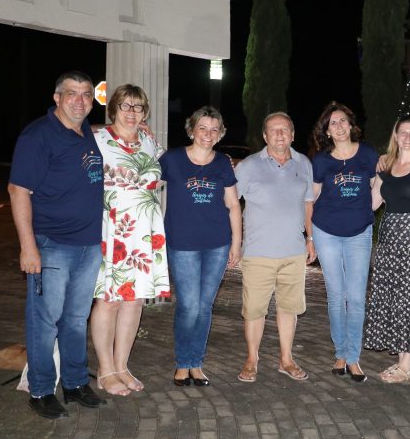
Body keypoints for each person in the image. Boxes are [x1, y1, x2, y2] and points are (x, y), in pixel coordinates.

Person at [8, 71, 105, 419]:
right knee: (45, 322)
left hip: (88, 244)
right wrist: (28, 247)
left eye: (86, 94)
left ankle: (75, 384)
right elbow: (18, 190)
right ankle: (41, 390)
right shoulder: (37, 136)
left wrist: (137, 128)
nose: (80, 101)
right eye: (71, 94)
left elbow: (98, 131)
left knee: (76, 320)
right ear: (57, 98)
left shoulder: (84, 131)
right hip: (51, 245)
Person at [90, 84, 170, 396]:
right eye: (125, 105)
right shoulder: (98, 139)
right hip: (112, 229)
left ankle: (122, 366)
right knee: (108, 300)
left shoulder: (149, 141)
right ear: (113, 109)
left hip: (144, 230)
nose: (131, 112)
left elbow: (170, 167)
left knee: (134, 300)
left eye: (138, 107)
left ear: (145, 112)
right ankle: (105, 369)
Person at [159, 107, 242, 387]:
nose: (208, 134)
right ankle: (183, 363)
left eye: (214, 129)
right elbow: (146, 186)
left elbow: (233, 205)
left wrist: (236, 243)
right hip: (182, 244)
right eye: (202, 128)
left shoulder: (222, 163)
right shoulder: (172, 159)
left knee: (205, 306)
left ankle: (196, 363)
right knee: (189, 305)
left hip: (217, 244)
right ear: (191, 130)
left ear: (220, 134)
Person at [234, 112, 316, 382]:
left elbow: (308, 204)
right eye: (274, 130)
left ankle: (286, 359)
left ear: (292, 135)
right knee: (254, 310)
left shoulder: (304, 164)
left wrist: (310, 239)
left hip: (293, 252)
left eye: (285, 129)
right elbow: (231, 204)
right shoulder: (248, 166)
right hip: (258, 253)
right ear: (265, 136)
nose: (280, 134)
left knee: (289, 308)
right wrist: (234, 243)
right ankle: (251, 359)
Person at [364, 117, 410, 383]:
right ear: (395, 135)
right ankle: (400, 361)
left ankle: (407, 366)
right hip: (388, 241)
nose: (407, 137)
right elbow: (373, 203)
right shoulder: (386, 167)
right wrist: (371, 173)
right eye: (402, 132)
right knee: (394, 299)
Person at [310, 102, 378, 382]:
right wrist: (310, 236)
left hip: (359, 233)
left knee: (357, 297)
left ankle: (353, 357)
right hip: (326, 231)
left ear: (351, 125)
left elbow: (378, 185)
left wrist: (367, 210)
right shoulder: (321, 161)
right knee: (336, 295)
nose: (338, 126)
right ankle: (340, 353)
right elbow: (313, 197)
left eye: (342, 121)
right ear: (327, 131)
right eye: (332, 123)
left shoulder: (368, 155)